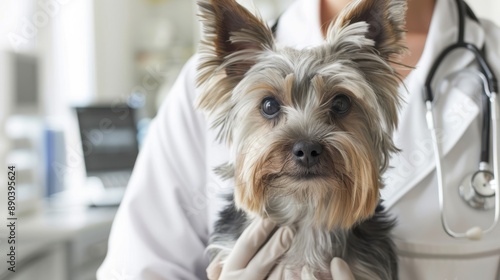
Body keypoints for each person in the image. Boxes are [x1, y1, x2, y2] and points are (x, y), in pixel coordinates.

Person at [97, 0, 500, 279]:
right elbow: (134, 270)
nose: (306, 142)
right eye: (271, 108)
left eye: (339, 105)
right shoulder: (202, 85)